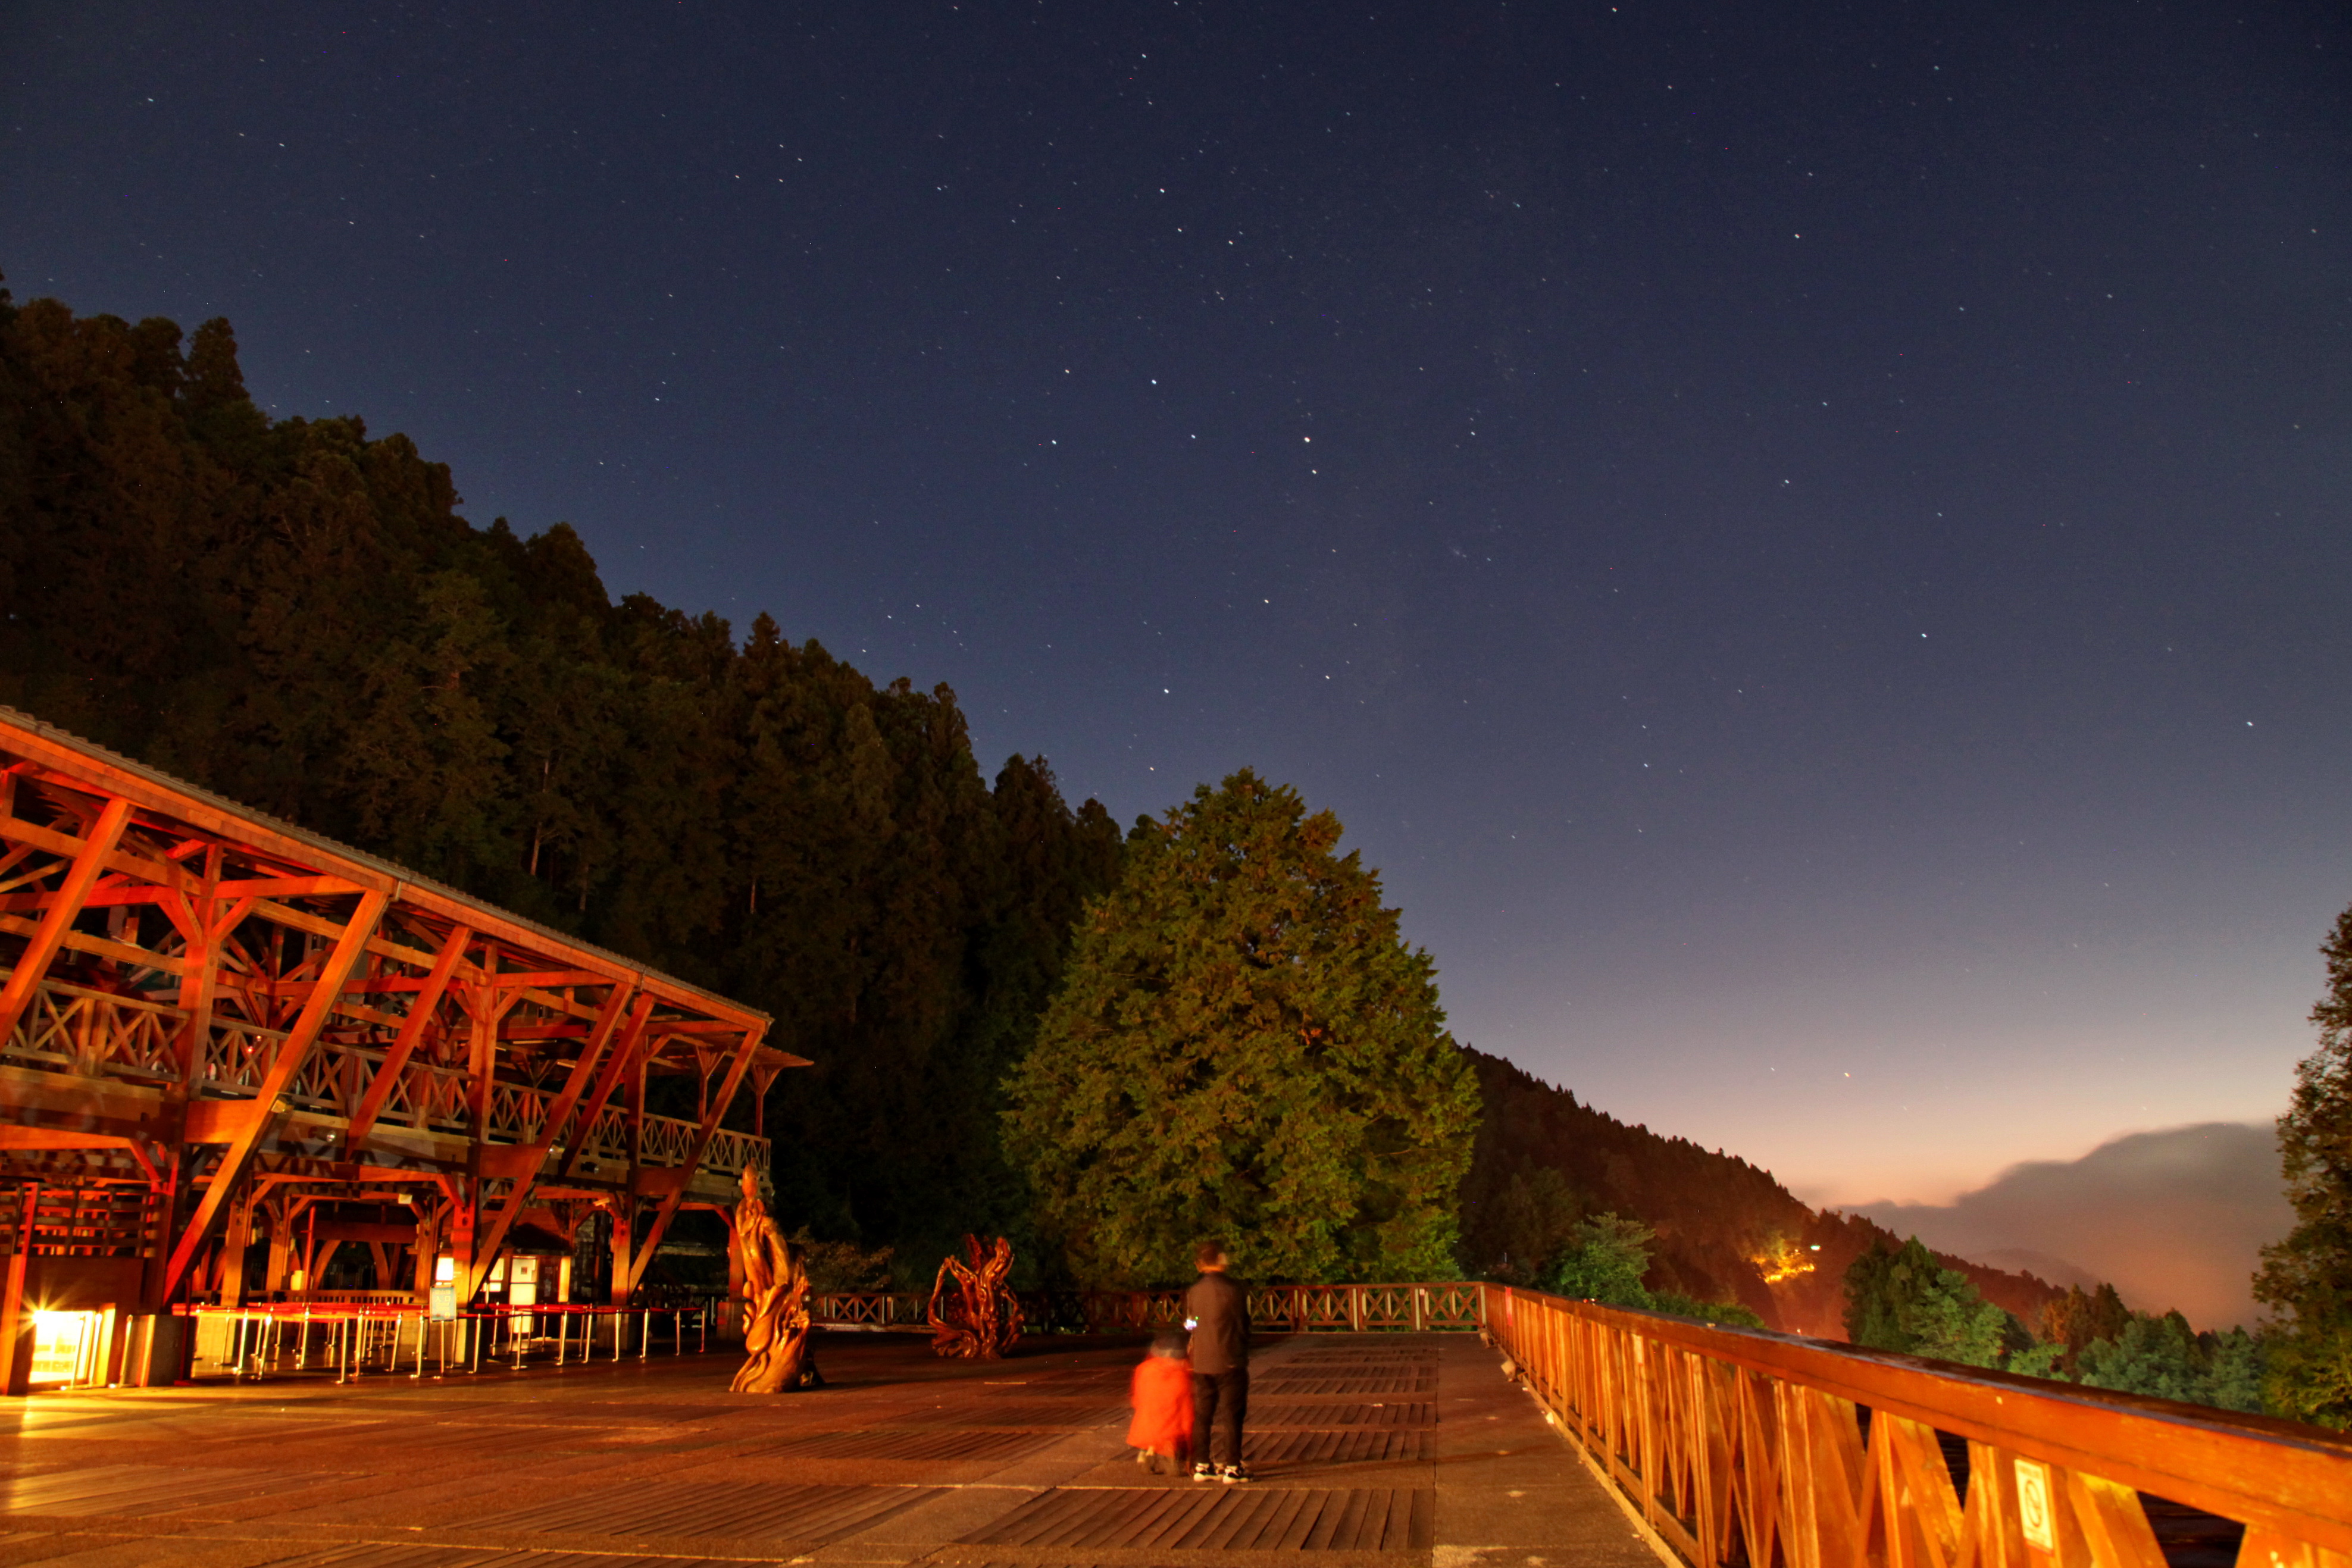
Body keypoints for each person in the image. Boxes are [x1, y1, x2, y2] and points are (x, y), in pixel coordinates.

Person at [1184, 1240, 1250, 1482]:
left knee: (1203, 1415)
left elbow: (1191, 1323)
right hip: (1230, 1358)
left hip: (1201, 1362)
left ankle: (1202, 1464)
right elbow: (1243, 1324)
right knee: (1232, 1415)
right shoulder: (1234, 1290)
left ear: (1200, 1263)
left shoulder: (1195, 1291)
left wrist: (1198, 1332)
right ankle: (1232, 1466)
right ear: (1222, 1260)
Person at [1126, 1331, 1192, 1473]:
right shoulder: (1182, 1373)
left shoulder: (1144, 1369)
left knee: (1152, 1418)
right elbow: (1186, 1406)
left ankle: (1147, 1451)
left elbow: (1137, 1397)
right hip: (1172, 1426)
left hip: (1146, 1423)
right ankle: (1172, 1457)